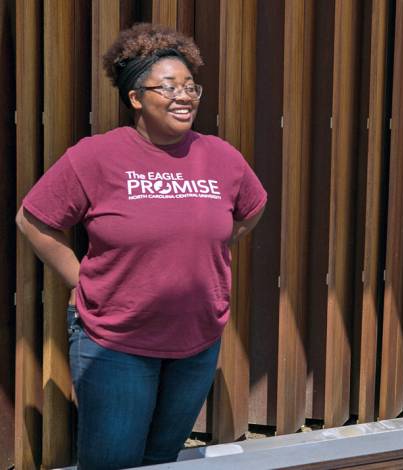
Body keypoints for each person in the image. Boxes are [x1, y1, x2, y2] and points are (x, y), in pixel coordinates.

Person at [15, 23, 266, 469]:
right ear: (136, 98)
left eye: (191, 86)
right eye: (169, 87)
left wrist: (206, 249)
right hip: (116, 341)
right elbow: (34, 220)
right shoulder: (95, 156)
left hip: (197, 339)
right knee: (113, 461)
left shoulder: (221, 156)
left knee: (161, 458)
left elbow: (250, 209)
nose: (184, 96)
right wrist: (80, 278)